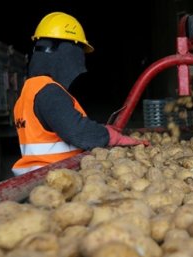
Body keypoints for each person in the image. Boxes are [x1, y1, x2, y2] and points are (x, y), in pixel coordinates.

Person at [12, 12, 145, 176]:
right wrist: (109, 136)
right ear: (67, 52)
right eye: (79, 51)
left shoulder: (29, 90)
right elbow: (77, 131)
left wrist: (100, 129)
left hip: (36, 175)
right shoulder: (48, 92)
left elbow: (61, 124)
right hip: (54, 178)